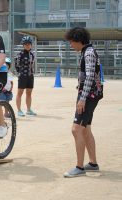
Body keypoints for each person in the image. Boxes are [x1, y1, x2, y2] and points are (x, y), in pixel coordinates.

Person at [63, 27, 103, 178]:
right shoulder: (86, 52)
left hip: (89, 96)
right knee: (85, 129)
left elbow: (90, 77)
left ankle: (79, 167)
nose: (71, 45)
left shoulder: (89, 53)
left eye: (72, 42)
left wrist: (82, 98)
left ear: (79, 40)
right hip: (90, 94)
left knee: (76, 129)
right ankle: (93, 163)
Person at [15, 35, 37, 117]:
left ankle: (28, 109)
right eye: (26, 44)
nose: (27, 45)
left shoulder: (32, 54)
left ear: (31, 45)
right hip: (22, 76)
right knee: (20, 93)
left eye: (29, 44)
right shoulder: (20, 54)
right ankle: (19, 110)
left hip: (30, 76)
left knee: (29, 93)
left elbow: (32, 65)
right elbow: (17, 65)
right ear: (23, 45)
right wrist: (20, 73)